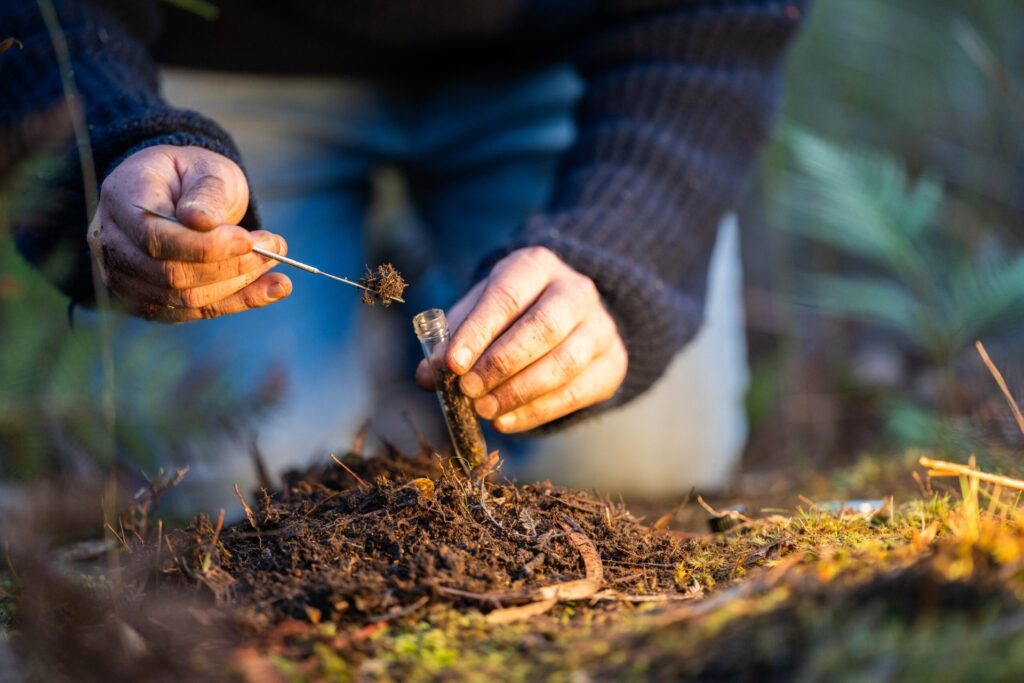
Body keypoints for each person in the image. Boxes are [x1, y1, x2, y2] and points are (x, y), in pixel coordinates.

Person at [2, 0, 806, 495]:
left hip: (569, 59)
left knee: (635, 465)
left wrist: (619, 250)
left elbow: (722, 15)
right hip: (209, 58)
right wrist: (112, 141)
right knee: (216, 484)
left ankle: (434, 272)